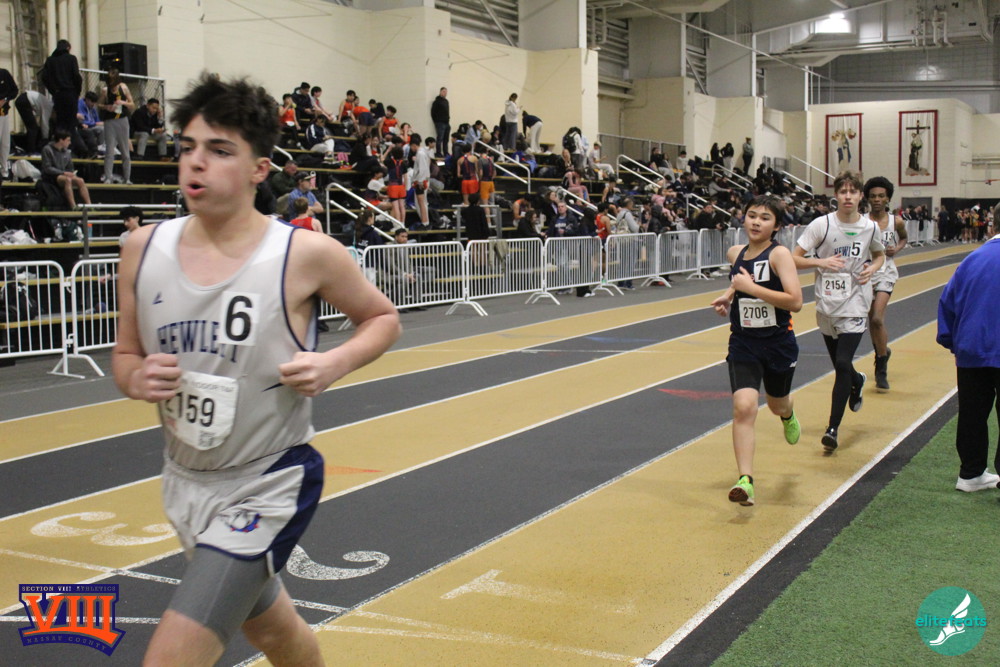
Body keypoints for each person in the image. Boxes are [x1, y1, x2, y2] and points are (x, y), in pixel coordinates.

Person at [111, 73, 400, 665]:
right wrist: (137, 378)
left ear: (259, 170)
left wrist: (333, 362)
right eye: (188, 147)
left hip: (269, 479)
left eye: (220, 151)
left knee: (171, 657)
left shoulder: (303, 254)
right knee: (273, 631)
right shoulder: (141, 249)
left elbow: (382, 318)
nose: (197, 163)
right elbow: (125, 355)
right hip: (185, 480)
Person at [711, 194, 803, 506]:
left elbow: (795, 301)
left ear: (776, 226)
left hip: (778, 345)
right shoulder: (735, 253)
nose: (756, 222)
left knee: (776, 405)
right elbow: (740, 280)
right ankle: (745, 481)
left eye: (765, 218)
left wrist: (752, 290)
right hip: (744, 342)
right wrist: (728, 296)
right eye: (752, 215)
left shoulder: (780, 255)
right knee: (744, 406)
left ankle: (787, 413)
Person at [793, 171, 884, 451]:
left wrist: (872, 268)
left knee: (843, 362)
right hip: (827, 304)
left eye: (852, 192)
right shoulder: (822, 225)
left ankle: (832, 429)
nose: (847, 196)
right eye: (843, 191)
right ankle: (857, 380)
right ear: (836, 195)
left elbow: (880, 255)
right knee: (841, 366)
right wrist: (821, 263)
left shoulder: (870, 228)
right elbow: (793, 258)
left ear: (860, 196)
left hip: (856, 302)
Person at [937, 202, 1000, 492]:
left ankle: (971, 474)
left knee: (972, 413)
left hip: (971, 348)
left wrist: (955, 343)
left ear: (992, 224)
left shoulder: (972, 260)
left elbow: (947, 303)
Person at [863, 176, 907, 393]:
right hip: (866, 272)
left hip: (886, 272)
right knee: (871, 320)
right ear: (868, 199)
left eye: (881, 196)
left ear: (888, 198)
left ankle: (881, 367)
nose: (877, 200)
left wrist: (896, 249)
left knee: (877, 319)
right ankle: (882, 351)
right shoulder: (862, 221)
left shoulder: (896, 222)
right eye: (873, 196)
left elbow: (904, 238)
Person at [40, 39, 82, 152]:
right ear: (68, 48)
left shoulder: (50, 60)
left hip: (58, 94)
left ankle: (58, 147)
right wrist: (77, 92)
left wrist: (53, 90)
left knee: (60, 122)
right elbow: (76, 76)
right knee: (71, 123)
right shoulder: (71, 58)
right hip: (70, 93)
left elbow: (44, 77)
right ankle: (72, 148)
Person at [97, 68, 135, 184]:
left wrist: (123, 103)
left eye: (114, 86)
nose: (113, 88)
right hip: (110, 121)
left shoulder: (124, 88)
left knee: (125, 151)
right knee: (109, 150)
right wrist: (106, 107)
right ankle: (108, 177)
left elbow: (132, 104)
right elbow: (99, 104)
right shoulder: (105, 90)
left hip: (122, 120)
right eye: (111, 86)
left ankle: (127, 178)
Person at [41, 129, 91, 208]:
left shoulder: (67, 152)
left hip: (64, 174)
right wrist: (63, 173)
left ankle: (89, 205)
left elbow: (70, 167)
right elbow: (47, 168)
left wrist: (71, 173)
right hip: (51, 176)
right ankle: (73, 206)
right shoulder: (47, 149)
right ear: (61, 140)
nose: (70, 143)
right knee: (68, 180)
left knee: (80, 180)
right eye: (68, 140)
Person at [16, 89, 53, 155]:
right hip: (25, 100)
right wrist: (45, 138)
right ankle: (31, 151)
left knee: (32, 127)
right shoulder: (49, 107)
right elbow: (44, 124)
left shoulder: (47, 104)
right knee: (33, 128)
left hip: (24, 99)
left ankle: (30, 148)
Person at [431, 87, 449, 157]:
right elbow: (433, 112)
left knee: (446, 139)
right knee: (440, 138)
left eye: (446, 92)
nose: (445, 93)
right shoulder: (437, 101)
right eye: (444, 91)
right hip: (440, 122)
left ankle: (445, 152)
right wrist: (436, 121)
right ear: (440, 92)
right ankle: (438, 152)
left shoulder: (446, 101)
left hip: (446, 122)